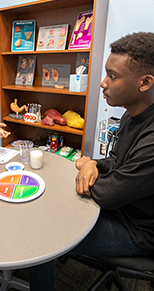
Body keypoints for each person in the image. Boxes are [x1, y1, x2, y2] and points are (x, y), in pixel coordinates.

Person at [28, 31, 154, 290]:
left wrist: (88, 165)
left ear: (145, 82)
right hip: (120, 206)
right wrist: (93, 164)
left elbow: (108, 193)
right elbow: (116, 159)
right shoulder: (132, 114)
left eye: (113, 76)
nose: (102, 83)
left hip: (137, 229)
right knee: (51, 203)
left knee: (40, 238)